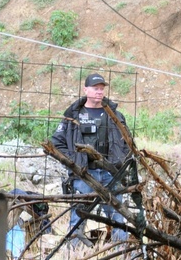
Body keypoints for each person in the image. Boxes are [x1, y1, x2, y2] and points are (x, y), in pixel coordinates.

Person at [50, 73, 131, 243]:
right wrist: (73, 161)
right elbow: (57, 142)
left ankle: (123, 253)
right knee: (79, 215)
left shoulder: (115, 115)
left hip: (111, 173)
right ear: (85, 89)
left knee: (117, 215)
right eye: (95, 88)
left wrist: (120, 160)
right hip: (84, 174)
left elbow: (128, 142)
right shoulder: (73, 115)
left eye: (102, 89)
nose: (99, 92)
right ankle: (73, 253)